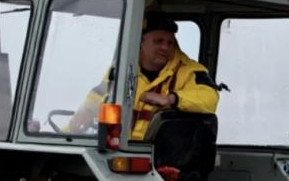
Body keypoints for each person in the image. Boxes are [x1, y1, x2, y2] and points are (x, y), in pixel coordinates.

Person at [67, 14, 219, 139]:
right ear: (141, 41)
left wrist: (172, 99)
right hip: (119, 150)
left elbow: (210, 98)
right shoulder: (123, 68)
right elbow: (100, 94)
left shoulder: (189, 70)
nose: (165, 48)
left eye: (170, 43)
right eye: (158, 41)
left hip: (160, 158)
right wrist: (74, 125)